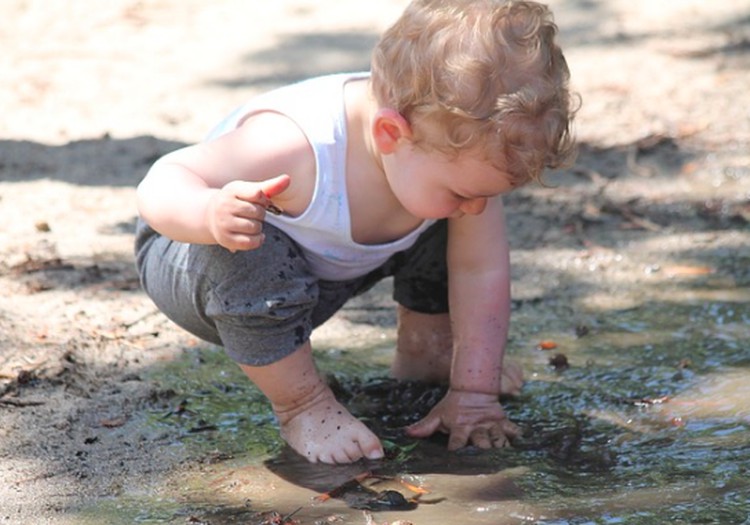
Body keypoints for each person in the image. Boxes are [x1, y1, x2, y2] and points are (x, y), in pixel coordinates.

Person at [135, 0, 577, 464]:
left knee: (452, 225)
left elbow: (480, 271)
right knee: (250, 250)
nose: (477, 206)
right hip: (196, 262)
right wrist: (208, 213)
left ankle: (428, 352)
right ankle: (303, 405)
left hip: (322, 270)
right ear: (390, 133)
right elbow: (163, 180)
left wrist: (474, 391)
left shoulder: (443, 154)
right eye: (465, 190)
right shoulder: (296, 145)